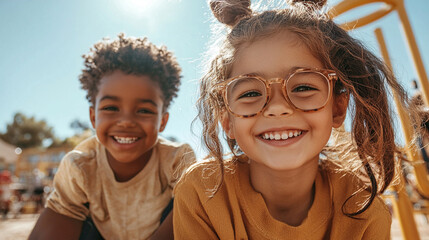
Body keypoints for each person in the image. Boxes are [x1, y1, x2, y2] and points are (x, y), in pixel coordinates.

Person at [173, 0, 414, 239]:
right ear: (226, 120)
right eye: (250, 93)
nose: (277, 107)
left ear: (338, 108)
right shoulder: (202, 193)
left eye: (303, 87)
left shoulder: (365, 214)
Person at [29, 33, 196, 240]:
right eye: (111, 107)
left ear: (162, 121)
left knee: (191, 198)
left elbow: (191, 219)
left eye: (144, 110)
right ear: (93, 117)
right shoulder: (80, 167)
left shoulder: (177, 160)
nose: (126, 121)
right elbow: (55, 225)